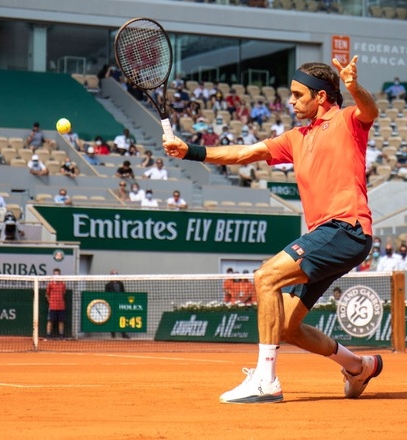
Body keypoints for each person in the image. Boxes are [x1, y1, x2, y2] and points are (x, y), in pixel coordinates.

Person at [163, 56, 382, 404]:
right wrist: (191, 151)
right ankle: (359, 366)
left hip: (346, 227)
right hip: (329, 234)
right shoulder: (296, 138)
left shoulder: (346, 121)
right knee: (286, 327)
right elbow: (244, 153)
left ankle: (266, 380)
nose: (291, 101)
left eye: (297, 95)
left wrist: (354, 87)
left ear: (321, 97)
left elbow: (369, 110)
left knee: (266, 277)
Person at [105, 269, 130, 339]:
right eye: (113, 274)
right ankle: (113, 334)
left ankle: (124, 334)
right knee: (112, 318)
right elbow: (106, 295)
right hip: (111, 304)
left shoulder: (121, 284)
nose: (114, 275)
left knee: (122, 318)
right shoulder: (108, 285)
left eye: (116, 274)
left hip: (120, 303)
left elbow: (123, 292)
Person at [45, 268, 66, 339]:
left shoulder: (63, 284)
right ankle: (48, 335)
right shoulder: (50, 284)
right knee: (50, 320)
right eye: (55, 274)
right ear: (53, 275)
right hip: (52, 306)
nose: (57, 276)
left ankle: (61, 335)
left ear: (60, 275)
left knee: (61, 321)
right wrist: (50, 301)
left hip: (61, 306)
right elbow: (47, 294)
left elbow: (64, 293)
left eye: (58, 274)